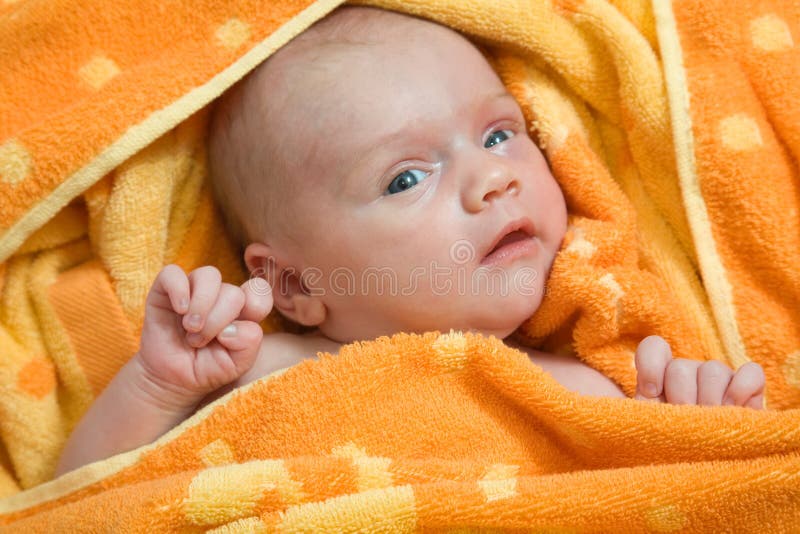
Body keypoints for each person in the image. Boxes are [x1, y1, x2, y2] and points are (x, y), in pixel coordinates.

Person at [54, 6, 765, 477]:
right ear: (295, 285)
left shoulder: (589, 390)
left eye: (499, 135)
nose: (492, 178)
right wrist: (156, 384)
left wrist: (696, 434)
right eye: (405, 179)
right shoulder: (255, 372)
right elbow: (82, 501)